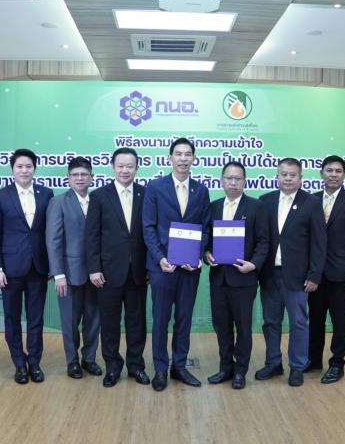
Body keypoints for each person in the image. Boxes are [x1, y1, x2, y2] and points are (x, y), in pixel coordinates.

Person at [142, 137, 210, 391]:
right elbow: (148, 227)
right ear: (169, 158)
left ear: (194, 158)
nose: (183, 158)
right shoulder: (155, 187)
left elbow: (205, 228)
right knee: (161, 319)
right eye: (178, 154)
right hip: (162, 267)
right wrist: (160, 258)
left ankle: (179, 366)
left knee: (184, 319)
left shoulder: (201, 190)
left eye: (187, 154)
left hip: (189, 269)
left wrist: (197, 255)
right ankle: (160, 368)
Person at [256, 157, 326, 387]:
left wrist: (314, 275)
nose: (287, 178)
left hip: (298, 276)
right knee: (270, 322)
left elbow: (319, 243)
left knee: (298, 322)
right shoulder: (265, 201)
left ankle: (297, 366)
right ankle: (273, 363)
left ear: (300, 177)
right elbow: (259, 238)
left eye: (292, 175)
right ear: (277, 176)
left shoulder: (311, 203)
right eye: (283, 174)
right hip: (269, 274)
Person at [85, 148, 150, 388]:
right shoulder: (99, 196)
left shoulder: (146, 194)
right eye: (120, 166)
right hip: (108, 272)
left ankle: (136, 366)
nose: (125, 170)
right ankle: (112, 366)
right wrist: (94, 268)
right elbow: (91, 235)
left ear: (137, 168)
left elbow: (150, 232)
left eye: (130, 166)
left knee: (137, 322)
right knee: (110, 322)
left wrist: (151, 266)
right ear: (113, 167)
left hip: (138, 272)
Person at [0, 149, 53, 384]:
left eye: (28, 166)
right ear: (12, 169)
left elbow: (49, 232)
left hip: (38, 267)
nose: (24, 170)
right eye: (20, 166)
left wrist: (53, 265)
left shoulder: (46, 193)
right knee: (12, 318)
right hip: (10, 268)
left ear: (35, 168)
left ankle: (34, 363)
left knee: (36, 319)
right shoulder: (0, 196)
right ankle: (19, 363)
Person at [204, 161, 269, 390]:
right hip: (219, 278)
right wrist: (206, 253)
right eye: (229, 178)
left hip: (244, 278)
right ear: (222, 181)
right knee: (221, 325)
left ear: (244, 181)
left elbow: (264, 240)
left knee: (243, 327)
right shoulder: (213, 207)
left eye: (238, 178)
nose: (233, 182)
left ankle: (241, 370)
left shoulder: (257, 207)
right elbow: (207, 239)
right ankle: (225, 368)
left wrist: (254, 264)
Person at [307, 155, 345, 384]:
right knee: (315, 319)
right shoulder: (311, 200)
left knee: (340, 321)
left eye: (338, 171)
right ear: (321, 173)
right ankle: (313, 360)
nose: (333, 174)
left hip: (342, 274)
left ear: (344, 175)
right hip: (315, 274)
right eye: (329, 170)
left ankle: (336, 364)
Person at [46, 156, 102, 380]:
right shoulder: (58, 202)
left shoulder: (98, 200)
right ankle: (72, 362)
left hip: (96, 273)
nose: (80, 178)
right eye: (75, 175)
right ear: (68, 178)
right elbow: (53, 241)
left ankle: (89, 359)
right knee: (70, 321)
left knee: (93, 319)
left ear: (91, 177)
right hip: (69, 274)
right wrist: (58, 274)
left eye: (84, 174)